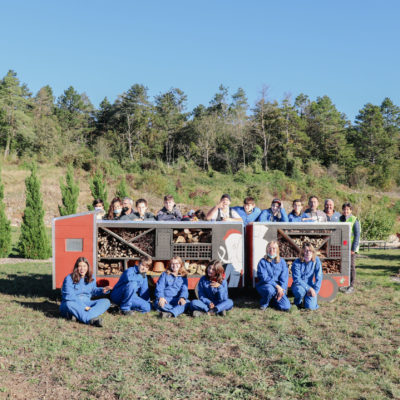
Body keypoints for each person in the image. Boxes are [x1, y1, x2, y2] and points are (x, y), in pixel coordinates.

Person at [59, 257, 111, 327]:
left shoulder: (91, 277)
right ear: (76, 268)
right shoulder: (69, 278)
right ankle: (91, 320)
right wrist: (84, 307)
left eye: (84, 266)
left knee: (106, 301)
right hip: (73, 303)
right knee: (69, 304)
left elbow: (93, 290)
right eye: (80, 266)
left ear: (88, 267)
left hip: (87, 302)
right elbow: (69, 297)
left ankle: (80, 316)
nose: (82, 269)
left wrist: (102, 290)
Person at [256, 241, 291, 311]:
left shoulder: (282, 262)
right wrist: (277, 286)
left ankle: (272, 301)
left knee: (286, 307)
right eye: (269, 248)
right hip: (266, 285)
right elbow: (264, 278)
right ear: (267, 249)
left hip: (279, 289)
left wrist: (282, 291)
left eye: (274, 248)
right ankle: (264, 304)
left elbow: (284, 278)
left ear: (277, 250)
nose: (271, 250)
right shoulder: (262, 262)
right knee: (270, 290)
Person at [291, 243, 323, 310]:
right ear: (302, 252)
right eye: (306, 250)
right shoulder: (297, 262)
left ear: (313, 252)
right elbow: (297, 279)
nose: (308, 252)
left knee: (310, 308)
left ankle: (307, 301)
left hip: (310, 285)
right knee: (300, 291)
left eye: (310, 250)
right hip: (298, 285)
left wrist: (315, 291)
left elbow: (319, 277)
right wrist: (308, 288)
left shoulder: (316, 260)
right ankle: (298, 302)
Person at [339, 202, 361, 294]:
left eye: (348, 209)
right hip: (343, 247)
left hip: (351, 248)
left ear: (351, 210)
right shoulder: (341, 219)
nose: (346, 211)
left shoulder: (354, 220)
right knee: (344, 266)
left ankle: (351, 286)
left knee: (351, 266)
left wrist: (353, 249)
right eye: (344, 209)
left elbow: (357, 235)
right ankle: (344, 284)